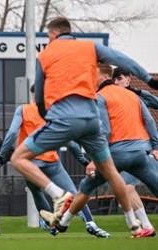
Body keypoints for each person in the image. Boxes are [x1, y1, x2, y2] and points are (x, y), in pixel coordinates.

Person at [10, 16, 158, 236]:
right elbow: (122, 59)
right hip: (92, 123)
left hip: (64, 120)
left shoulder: (45, 56)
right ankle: (133, 222)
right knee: (112, 172)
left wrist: (45, 116)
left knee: (18, 158)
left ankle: (58, 196)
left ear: (52, 35)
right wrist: (149, 80)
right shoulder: (90, 47)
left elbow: (39, 95)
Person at [42, 63, 158, 238]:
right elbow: (149, 121)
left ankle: (63, 223)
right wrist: (156, 147)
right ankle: (63, 222)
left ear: (104, 76)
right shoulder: (133, 96)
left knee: (85, 187)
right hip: (141, 153)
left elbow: (105, 131)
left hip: (116, 155)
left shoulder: (99, 97)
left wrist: (94, 160)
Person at [0, 85, 110, 238]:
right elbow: (71, 141)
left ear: (32, 95)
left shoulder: (23, 110)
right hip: (52, 164)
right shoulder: (55, 112)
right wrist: (82, 159)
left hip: (31, 164)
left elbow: (11, 133)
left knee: (37, 194)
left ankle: (50, 225)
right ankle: (90, 223)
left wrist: (2, 156)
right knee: (75, 194)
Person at [112, 67, 158, 236]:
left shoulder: (137, 97)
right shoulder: (110, 97)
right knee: (126, 187)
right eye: (114, 79)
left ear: (129, 80)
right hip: (122, 152)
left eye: (120, 79)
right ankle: (146, 226)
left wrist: (155, 147)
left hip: (144, 151)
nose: (117, 82)